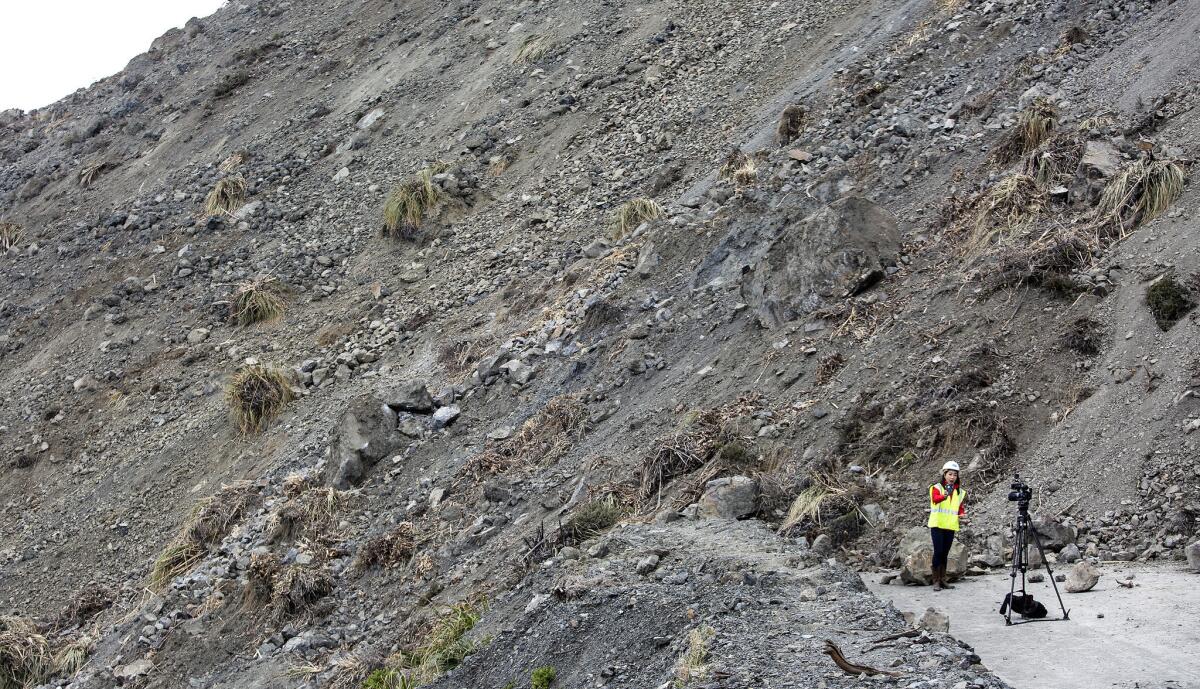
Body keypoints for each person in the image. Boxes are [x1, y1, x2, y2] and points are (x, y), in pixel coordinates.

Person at [927, 461, 965, 591]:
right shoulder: (936, 487)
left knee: (945, 553)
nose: (952, 477)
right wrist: (944, 495)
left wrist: (961, 513)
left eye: (954, 474)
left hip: (950, 526)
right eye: (950, 474)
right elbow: (935, 499)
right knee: (938, 552)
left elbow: (959, 506)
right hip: (937, 524)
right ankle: (936, 581)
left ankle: (943, 580)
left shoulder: (959, 491)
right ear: (944, 474)